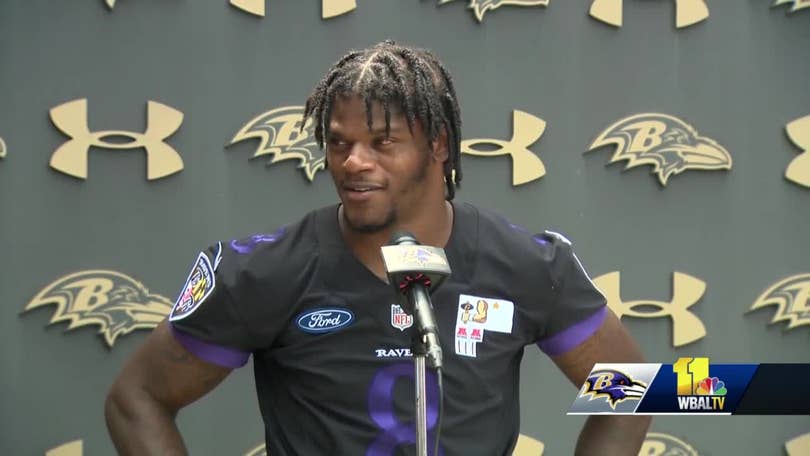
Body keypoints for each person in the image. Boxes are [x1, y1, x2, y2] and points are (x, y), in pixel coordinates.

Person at [104, 40, 651, 455]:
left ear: (438, 145)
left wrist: (730, 389)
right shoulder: (264, 271)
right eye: (339, 143)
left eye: (382, 142)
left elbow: (638, 391)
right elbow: (136, 399)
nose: (353, 162)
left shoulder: (525, 264)